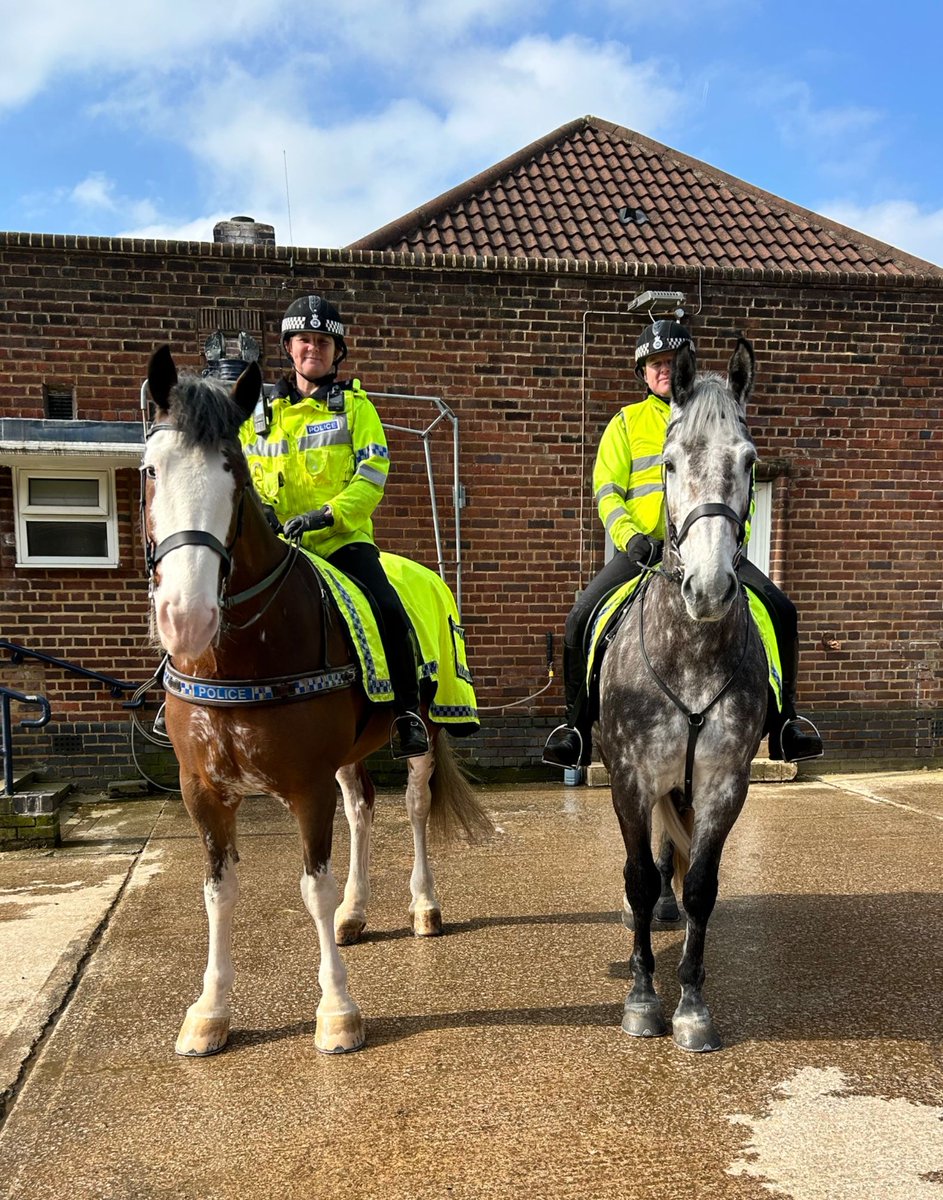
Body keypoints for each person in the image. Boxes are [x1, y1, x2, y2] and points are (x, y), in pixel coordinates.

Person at [542, 319, 824, 770]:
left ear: (686, 366)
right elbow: (607, 490)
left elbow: (735, 489)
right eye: (655, 363)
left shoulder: (714, 417)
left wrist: (733, 542)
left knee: (783, 611)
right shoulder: (626, 423)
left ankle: (788, 723)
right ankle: (573, 728)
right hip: (642, 553)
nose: (664, 370)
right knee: (579, 617)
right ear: (643, 371)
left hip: (710, 552)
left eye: (671, 362)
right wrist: (630, 538)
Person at [239, 294, 429, 759]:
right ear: (289, 346)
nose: (313, 349)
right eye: (305, 339)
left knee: (388, 606)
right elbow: (240, 472)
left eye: (323, 341)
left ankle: (406, 715)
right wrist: (262, 512)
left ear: (336, 351)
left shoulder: (356, 410)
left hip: (341, 541)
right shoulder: (258, 415)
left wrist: (325, 515)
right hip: (277, 545)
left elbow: (372, 478)